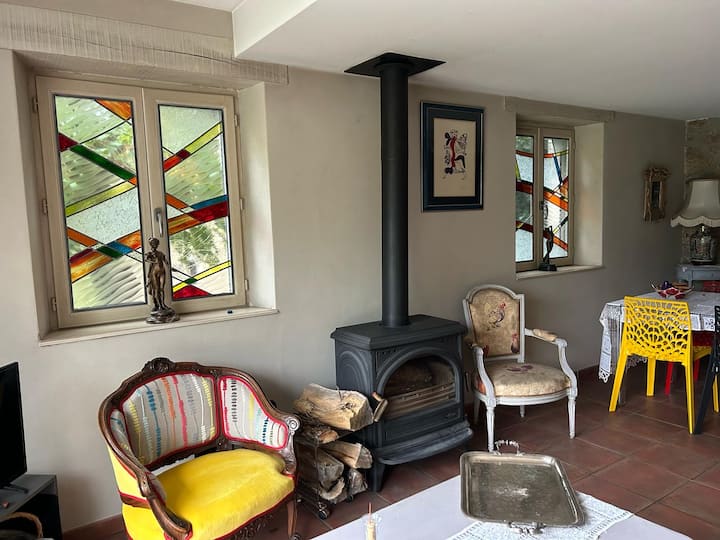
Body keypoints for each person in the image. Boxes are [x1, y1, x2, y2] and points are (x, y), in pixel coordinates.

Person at [145, 237, 170, 312]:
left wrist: (170, 268)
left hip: (162, 272)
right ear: (151, 244)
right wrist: (153, 261)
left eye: (156, 243)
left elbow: (166, 262)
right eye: (153, 244)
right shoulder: (150, 254)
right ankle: (159, 305)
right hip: (154, 273)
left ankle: (163, 304)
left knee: (162, 289)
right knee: (157, 289)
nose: (155, 245)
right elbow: (146, 259)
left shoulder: (160, 253)